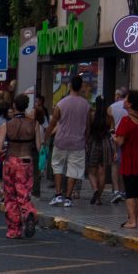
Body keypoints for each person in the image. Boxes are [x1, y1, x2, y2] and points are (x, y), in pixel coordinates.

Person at [0, 94, 41, 238]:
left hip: (10, 161)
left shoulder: (6, 125)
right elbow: (39, 147)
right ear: (26, 106)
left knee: (10, 197)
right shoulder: (34, 124)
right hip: (26, 162)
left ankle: (13, 230)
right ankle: (29, 212)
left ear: (14, 106)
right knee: (24, 194)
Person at [44, 75, 91, 209]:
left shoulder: (61, 104)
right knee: (74, 170)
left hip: (61, 141)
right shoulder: (86, 105)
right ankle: (68, 197)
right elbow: (88, 126)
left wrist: (45, 139)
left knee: (57, 166)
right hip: (78, 143)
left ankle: (58, 194)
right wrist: (86, 139)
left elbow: (52, 124)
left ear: (70, 86)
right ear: (81, 87)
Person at [114, 90, 138, 228]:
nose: (123, 101)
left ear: (130, 104)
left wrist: (114, 138)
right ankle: (134, 217)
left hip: (130, 159)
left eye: (126, 99)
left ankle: (132, 221)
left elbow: (121, 141)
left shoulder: (126, 120)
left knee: (129, 191)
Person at [85, 94, 114, 206]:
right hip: (105, 143)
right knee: (102, 172)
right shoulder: (109, 117)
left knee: (91, 172)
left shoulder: (91, 115)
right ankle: (98, 198)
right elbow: (112, 132)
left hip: (93, 142)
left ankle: (95, 189)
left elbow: (87, 130)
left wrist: (86, 142)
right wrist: (114, 150)